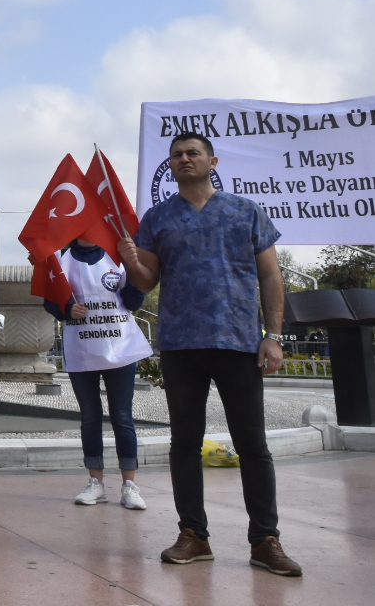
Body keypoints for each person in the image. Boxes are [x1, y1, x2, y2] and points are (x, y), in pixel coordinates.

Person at [121, 131, 301, 577]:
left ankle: (265, 540)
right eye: (177, 155)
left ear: (212, 161)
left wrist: (274, 335)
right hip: (181, 344)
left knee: (252, 445)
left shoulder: (245, 211)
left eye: (193, 153)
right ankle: (193, 534)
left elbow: (271, 276)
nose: (184, 159)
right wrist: (130, 259)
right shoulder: (158, 217)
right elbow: (146, 281)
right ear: (170, 165)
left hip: (238, 341)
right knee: (184, 443)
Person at [42, 237, 151, 510]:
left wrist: (133, 268)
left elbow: (133, 302)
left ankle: (129, 485)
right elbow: (50, 302)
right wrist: (68, 309)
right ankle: (96, 483)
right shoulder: (61, 260)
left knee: (122, 417)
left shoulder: (117, 256)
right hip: (83, 348)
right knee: (90, 418)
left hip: (120, 348)